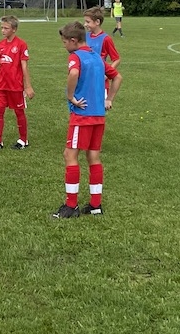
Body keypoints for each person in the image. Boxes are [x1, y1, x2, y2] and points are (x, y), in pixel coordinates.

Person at [52, 21, 122, 218]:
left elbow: (74, 73)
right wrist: (109, 99)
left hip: (82, 116)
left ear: (74, 40)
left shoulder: (76, 57)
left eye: (65, 42)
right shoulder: (97, 57)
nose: (64, 46)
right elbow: (118, 77)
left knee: (70, 155)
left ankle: (71, 206)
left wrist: (71, 96)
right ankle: (95, 205)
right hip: (99, 116)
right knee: (93, 157)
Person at [0, 15, 34, 151]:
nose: (2, 30)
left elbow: (24, 66)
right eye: (1, 28)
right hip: (1, 85)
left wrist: (28, 86)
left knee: (19, 112)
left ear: (14, 29)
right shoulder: (0, 45)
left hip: (15, 86)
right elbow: (1, 62)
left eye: (6, 28)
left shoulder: (21, 44)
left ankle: (23, 140)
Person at [83, 6, 121, 99]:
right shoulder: (85, 37)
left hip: (100, 82)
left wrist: (106, 74)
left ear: (97, 22)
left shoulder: (106, 39)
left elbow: (116, 59)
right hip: (86, 79)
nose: (85, 24)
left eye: (88, 22)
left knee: (100, 106)